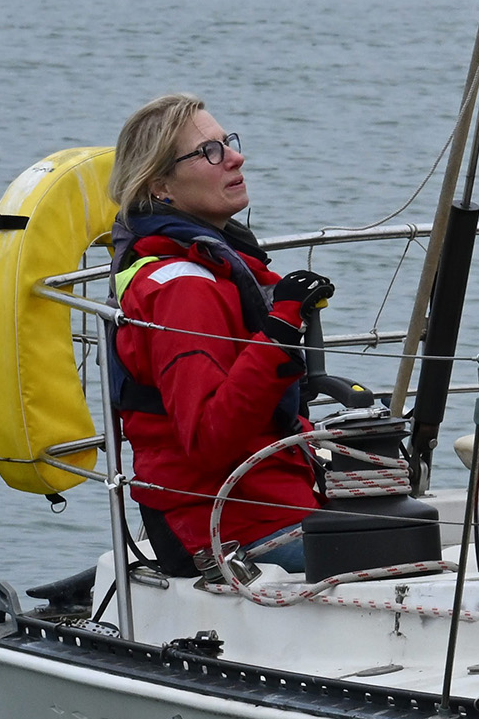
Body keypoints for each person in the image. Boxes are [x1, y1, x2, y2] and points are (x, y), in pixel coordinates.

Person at [108, 93, 335, 576]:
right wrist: (277, 331)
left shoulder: (204, 271)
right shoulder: (184, 288)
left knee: (410, 523)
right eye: (209, 151)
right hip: (231, 530)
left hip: (260, 509)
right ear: (160, 185)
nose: (235, 157)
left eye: (227, 142)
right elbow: (209, 436)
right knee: (428, 559)